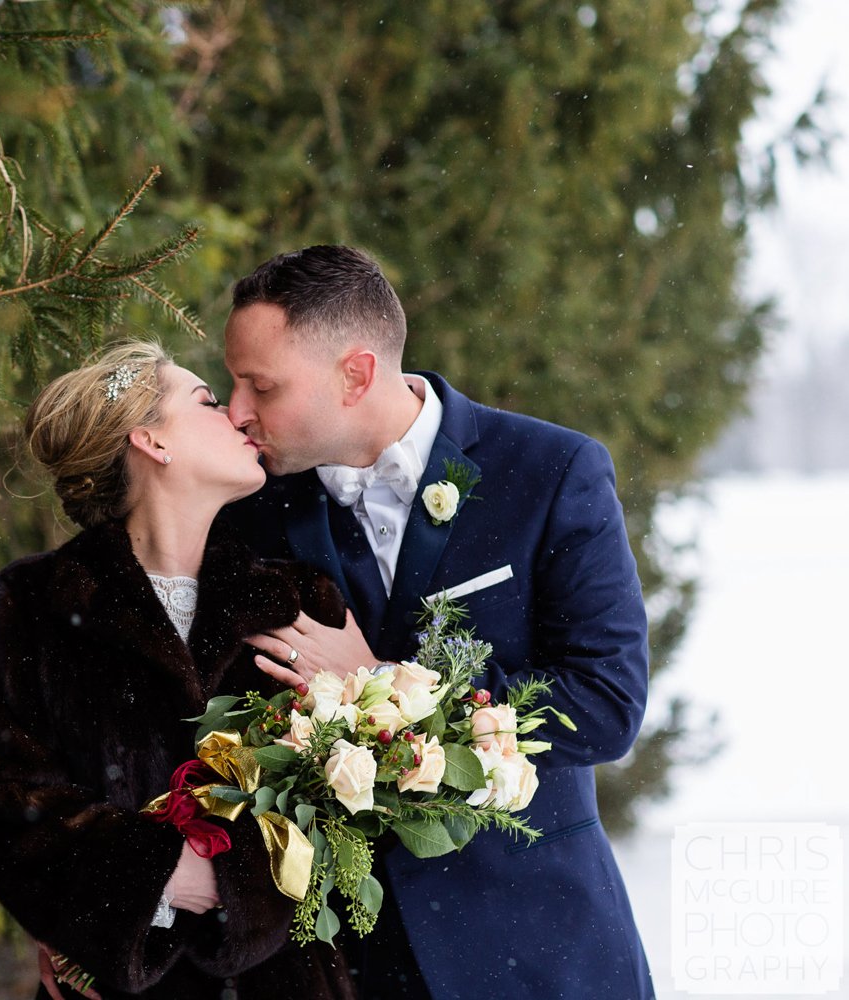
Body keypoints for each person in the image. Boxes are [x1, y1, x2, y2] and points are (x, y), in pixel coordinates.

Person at [218, 245, 655, 998]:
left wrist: (378, 686)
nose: (235, 412)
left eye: (261, 386)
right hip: (348, 965)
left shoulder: (552, 471)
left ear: (355, 374)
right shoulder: (249, 513)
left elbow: (607, 703)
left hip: (540, 948)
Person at [0, 342, 359, 998]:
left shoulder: (298, 598)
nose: (238, 417)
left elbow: (354, 803)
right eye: (207, 400)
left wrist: (235, 883)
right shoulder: (32, 604)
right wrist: (159, 876)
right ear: (151, 442)